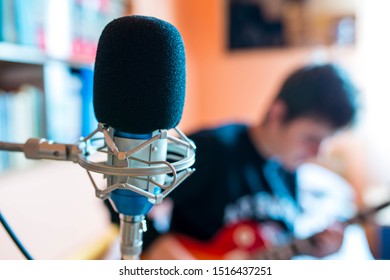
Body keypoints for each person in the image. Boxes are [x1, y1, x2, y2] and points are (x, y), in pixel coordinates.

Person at [105, 63, 359, 260]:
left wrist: (311, 249)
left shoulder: (289, 171)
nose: (317, 153)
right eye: (310, 138)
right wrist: (167, 254)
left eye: (325, 142)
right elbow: (123, 187)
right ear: (277, 114)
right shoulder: (211, 148)